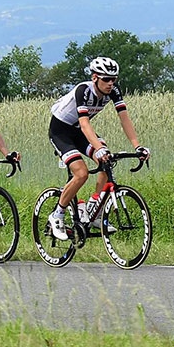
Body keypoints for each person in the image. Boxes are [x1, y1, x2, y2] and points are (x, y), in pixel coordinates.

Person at [45, 57, 149, 240]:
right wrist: (98, 147)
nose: (110, 83)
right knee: (81, 173)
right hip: (61, 132)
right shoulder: (83, 90)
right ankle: (57, 215)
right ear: (95, 78)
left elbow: (124, 119)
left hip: (79, 132)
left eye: (113, 79)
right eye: (106, 79)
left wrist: (138, 146)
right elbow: (85, 124)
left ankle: (95, 208)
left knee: (107, 160)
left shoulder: (114, 91)